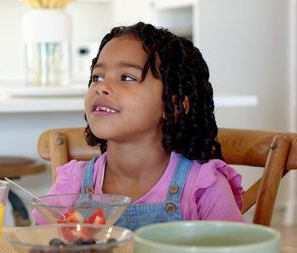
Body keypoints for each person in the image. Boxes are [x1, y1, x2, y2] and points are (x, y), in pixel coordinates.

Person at [31, 22, 244, 231]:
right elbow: (38, 243)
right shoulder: (73, 184)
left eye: (126, 77)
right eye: (97, 77)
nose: (102, 87)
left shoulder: (204, 187)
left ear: (175, 105)